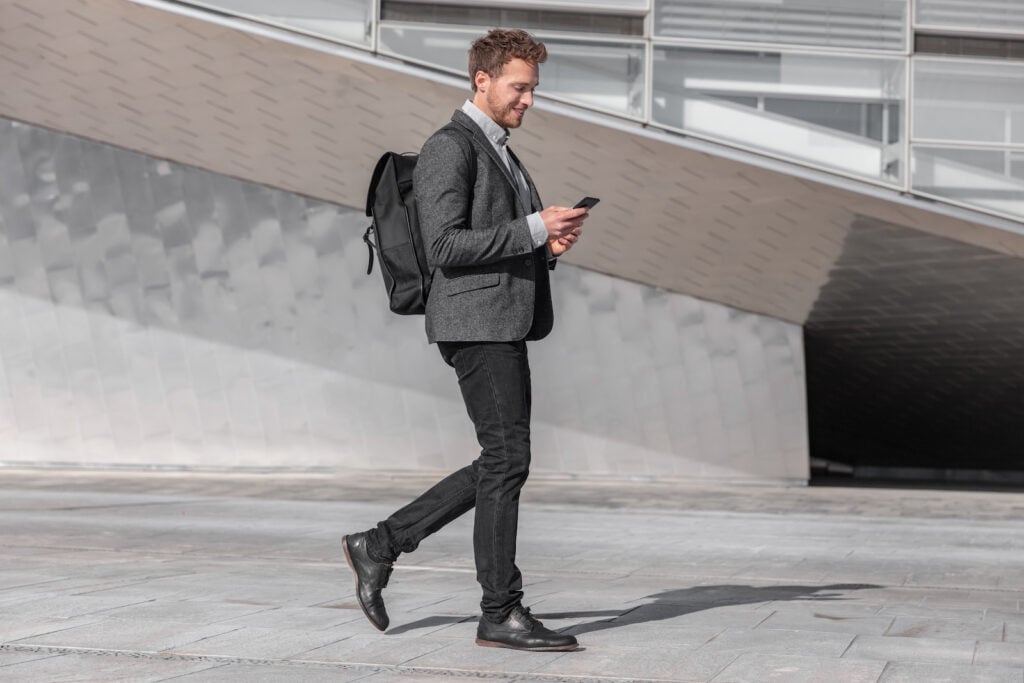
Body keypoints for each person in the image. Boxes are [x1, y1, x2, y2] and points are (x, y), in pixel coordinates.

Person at [342, 28, 589, 652]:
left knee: (502, 459)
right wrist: (534, 226)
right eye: (520, 88)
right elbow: (446, 245)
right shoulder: (451, 146)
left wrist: (546, 246)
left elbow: (496, 238)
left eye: (533, 90)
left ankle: (382, 543)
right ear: (481, 80)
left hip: (501, 320)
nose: (529, 100)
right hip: (475, 325)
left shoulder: (500, 150)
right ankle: (499, 610)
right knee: (509, 459)